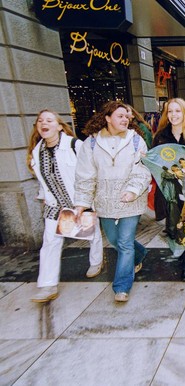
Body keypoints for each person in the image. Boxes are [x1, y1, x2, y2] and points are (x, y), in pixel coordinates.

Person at [75, 101, 151, 303]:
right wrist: (81, 202)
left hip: (130, 201)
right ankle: (141, 252)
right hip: (105, 201)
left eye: (127, 116)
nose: (125, 119)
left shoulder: (137, 142)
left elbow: (142, 170)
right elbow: (85, 175)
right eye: (120, 116)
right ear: (107, 118)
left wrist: (133, 190)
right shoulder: (91, 143)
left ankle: (122, 286)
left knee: (125, 242)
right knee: (115, 240)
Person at [27, 110, 104, 302]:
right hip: (55, 205)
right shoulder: (37, 151)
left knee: (92, 235)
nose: (43, 123)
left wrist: (87, 199)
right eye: (40, 120)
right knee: (50, 243)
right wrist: (44, 195)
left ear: (60, 126)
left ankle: (96, 261)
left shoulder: (74, 145)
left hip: (79, 200)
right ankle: (47, 285)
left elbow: (90, 170)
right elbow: (44, 179)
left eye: (49, 120)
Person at [152, 98, 185, 242]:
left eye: (177, 111)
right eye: (170, 111)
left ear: (184, 113)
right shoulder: (160, 137)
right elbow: (155, 165)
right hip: (170, 194)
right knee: (173, 231)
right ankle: (182, 259)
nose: (173, 115)